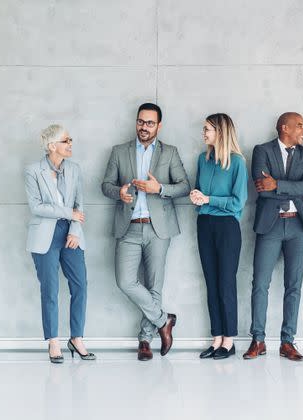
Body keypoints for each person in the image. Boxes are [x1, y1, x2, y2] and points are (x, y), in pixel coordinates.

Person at [101, 103, 190, 361]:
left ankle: (145, 340)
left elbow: (184, 186)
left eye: (150, 123)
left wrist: (159, 188)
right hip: (128, 227)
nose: (144, 127)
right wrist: (118, 192)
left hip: (158, 227)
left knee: (154, 285)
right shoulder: (119, 152)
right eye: (141, 121)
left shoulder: (169, 153)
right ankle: (164, 320)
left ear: (159, 126)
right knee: (125, 281)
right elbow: (105, 185)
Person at [243, 112, 303, 362]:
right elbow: (261, 189)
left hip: (299, 227)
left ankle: (288, 342)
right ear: (285, 127)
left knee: (293, 285)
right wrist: (290, 189)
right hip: (270, 225)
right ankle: (258, 340)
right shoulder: (262, 151)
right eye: (300, 126)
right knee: (260, 284)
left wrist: (279, 185)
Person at [24, 124, 95, 363]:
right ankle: (53, 341)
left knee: (80, 286)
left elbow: (80, 204)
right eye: (66, 141)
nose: (70, 144)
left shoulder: (74, 169)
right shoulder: (33, 171)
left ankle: (76, 338)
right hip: (45, 236)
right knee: (50, 290)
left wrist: (74, 228)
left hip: (71, 234)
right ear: (52, 145)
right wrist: (68, 213)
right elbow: (37, 207)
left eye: (70, 139)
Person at [190, 113, 248, 360]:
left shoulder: (237, 163)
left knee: (226, 282)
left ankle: (229, 340)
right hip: (204, 223)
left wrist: (209, 200)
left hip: (227, 227)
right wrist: (197, 197)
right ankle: (216, 338)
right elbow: (199, 192)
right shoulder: (203, 160)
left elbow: (238, 202)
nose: (203, 133)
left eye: (207, 129)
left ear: (221, 132)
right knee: (211, 283)